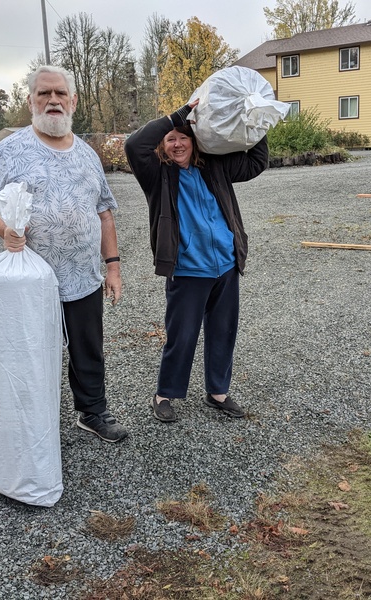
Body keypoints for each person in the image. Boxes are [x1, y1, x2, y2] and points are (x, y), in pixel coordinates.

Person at [0, 65, 128, 443]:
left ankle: (92, 412)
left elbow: (104, 212)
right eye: (44, 93)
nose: (53, 100)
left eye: (60, 93)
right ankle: (29, 422)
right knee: (30, 351)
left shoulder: (89, 155)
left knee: (88, 348)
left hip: (84, 275)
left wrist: (113, 267)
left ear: (73, 101)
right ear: (30, 102)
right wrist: (5, 230)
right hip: (31, 278)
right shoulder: (11, 149)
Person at [124, 100, 269, 423]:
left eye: (183, 137)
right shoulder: (156, 174)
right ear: (163, 144)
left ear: (195, 141)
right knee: (182, 334)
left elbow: (255, 163)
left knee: (223, 331)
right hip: (188, 269)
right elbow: (134, 144)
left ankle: (217, 392)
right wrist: (178, 117)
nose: (177, 144)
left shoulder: (214, 167)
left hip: (226, 265)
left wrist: (256, 123)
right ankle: (165, 394)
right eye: (171, 139)